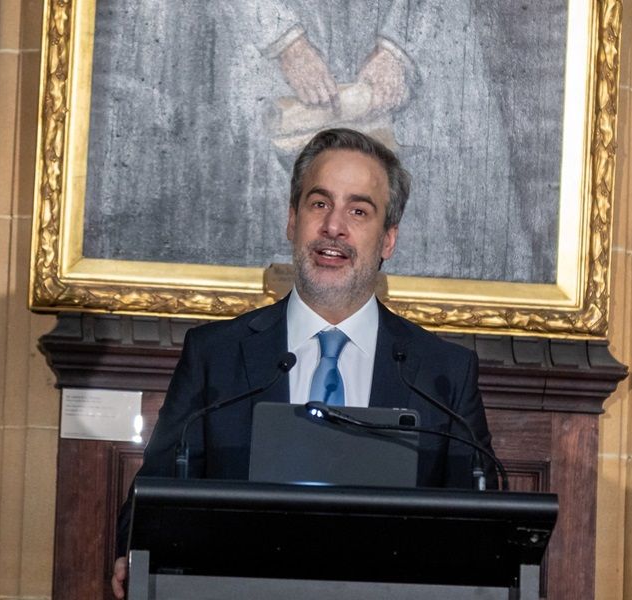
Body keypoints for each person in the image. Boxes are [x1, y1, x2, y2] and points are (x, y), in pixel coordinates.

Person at [110, 128, 495, 598]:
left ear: (388, 239)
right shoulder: (216, 355)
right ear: (292, 220)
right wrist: (134, 549)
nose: (334, 227)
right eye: (319, 204)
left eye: (358, 211)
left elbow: (483, 530)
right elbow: (151, 499)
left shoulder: (444, 373)